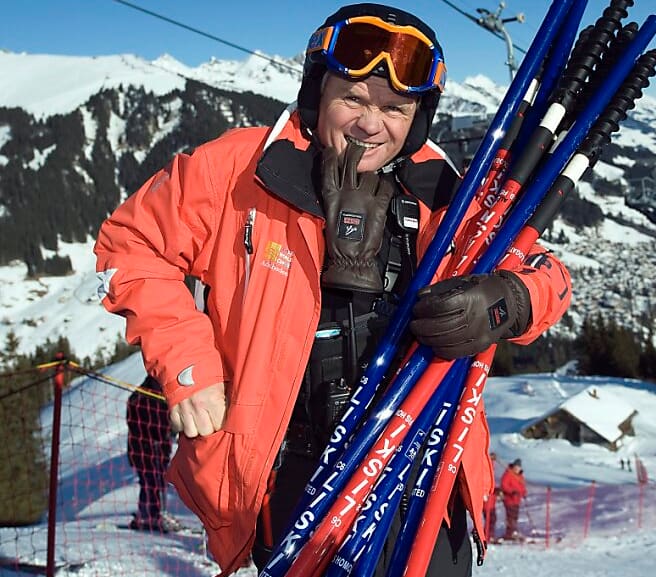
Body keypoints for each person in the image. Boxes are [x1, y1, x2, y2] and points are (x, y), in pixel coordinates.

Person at [94, 3, 571, 575]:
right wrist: (189, 365)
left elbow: (546, 274)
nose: (373, 124)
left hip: (421, 475)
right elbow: (129, 243)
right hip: (284, 485)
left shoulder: (445, 193)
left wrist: (509, 303)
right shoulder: (243, 169)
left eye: (395, 108)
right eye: (354, 99)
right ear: (318, 91)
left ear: (417, 117)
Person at [126, 375, 182, 532]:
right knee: (150, 481)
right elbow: (134, 419)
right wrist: (149, 437)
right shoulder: (141, 396)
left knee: (158, 480)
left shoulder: (165, 394)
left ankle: (152, 514)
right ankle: (150, 515)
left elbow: (169, 419)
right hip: (143, 449)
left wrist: (170, 433)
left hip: (160, 449)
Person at [500, 459, 527, 541]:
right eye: (516, 467)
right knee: (511, 517)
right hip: (509, 499)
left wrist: (523, 493)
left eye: (518, 467)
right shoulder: (508, 474)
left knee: (515, 516)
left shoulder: (520, 476)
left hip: (517, 500)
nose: (517, 469)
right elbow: (504, 485)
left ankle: (512, 532)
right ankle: (510, 533)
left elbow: (522, 487)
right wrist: (512, 491)